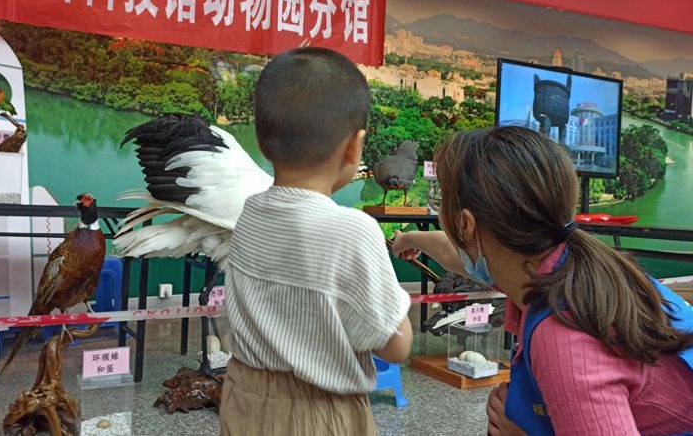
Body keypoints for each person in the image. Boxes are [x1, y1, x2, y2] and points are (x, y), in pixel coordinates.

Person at [392, 126, 693, 436]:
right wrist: (408, 239)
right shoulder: (568, 266)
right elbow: (458, 253)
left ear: (465, 223)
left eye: (439, 199)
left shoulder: (565, 336)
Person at [220, 47, 413, 436]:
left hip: (243, 401)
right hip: (320, 413)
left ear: (260, 140)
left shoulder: (249, 215)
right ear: (353, 147)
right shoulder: (353, 229)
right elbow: (395, 346)